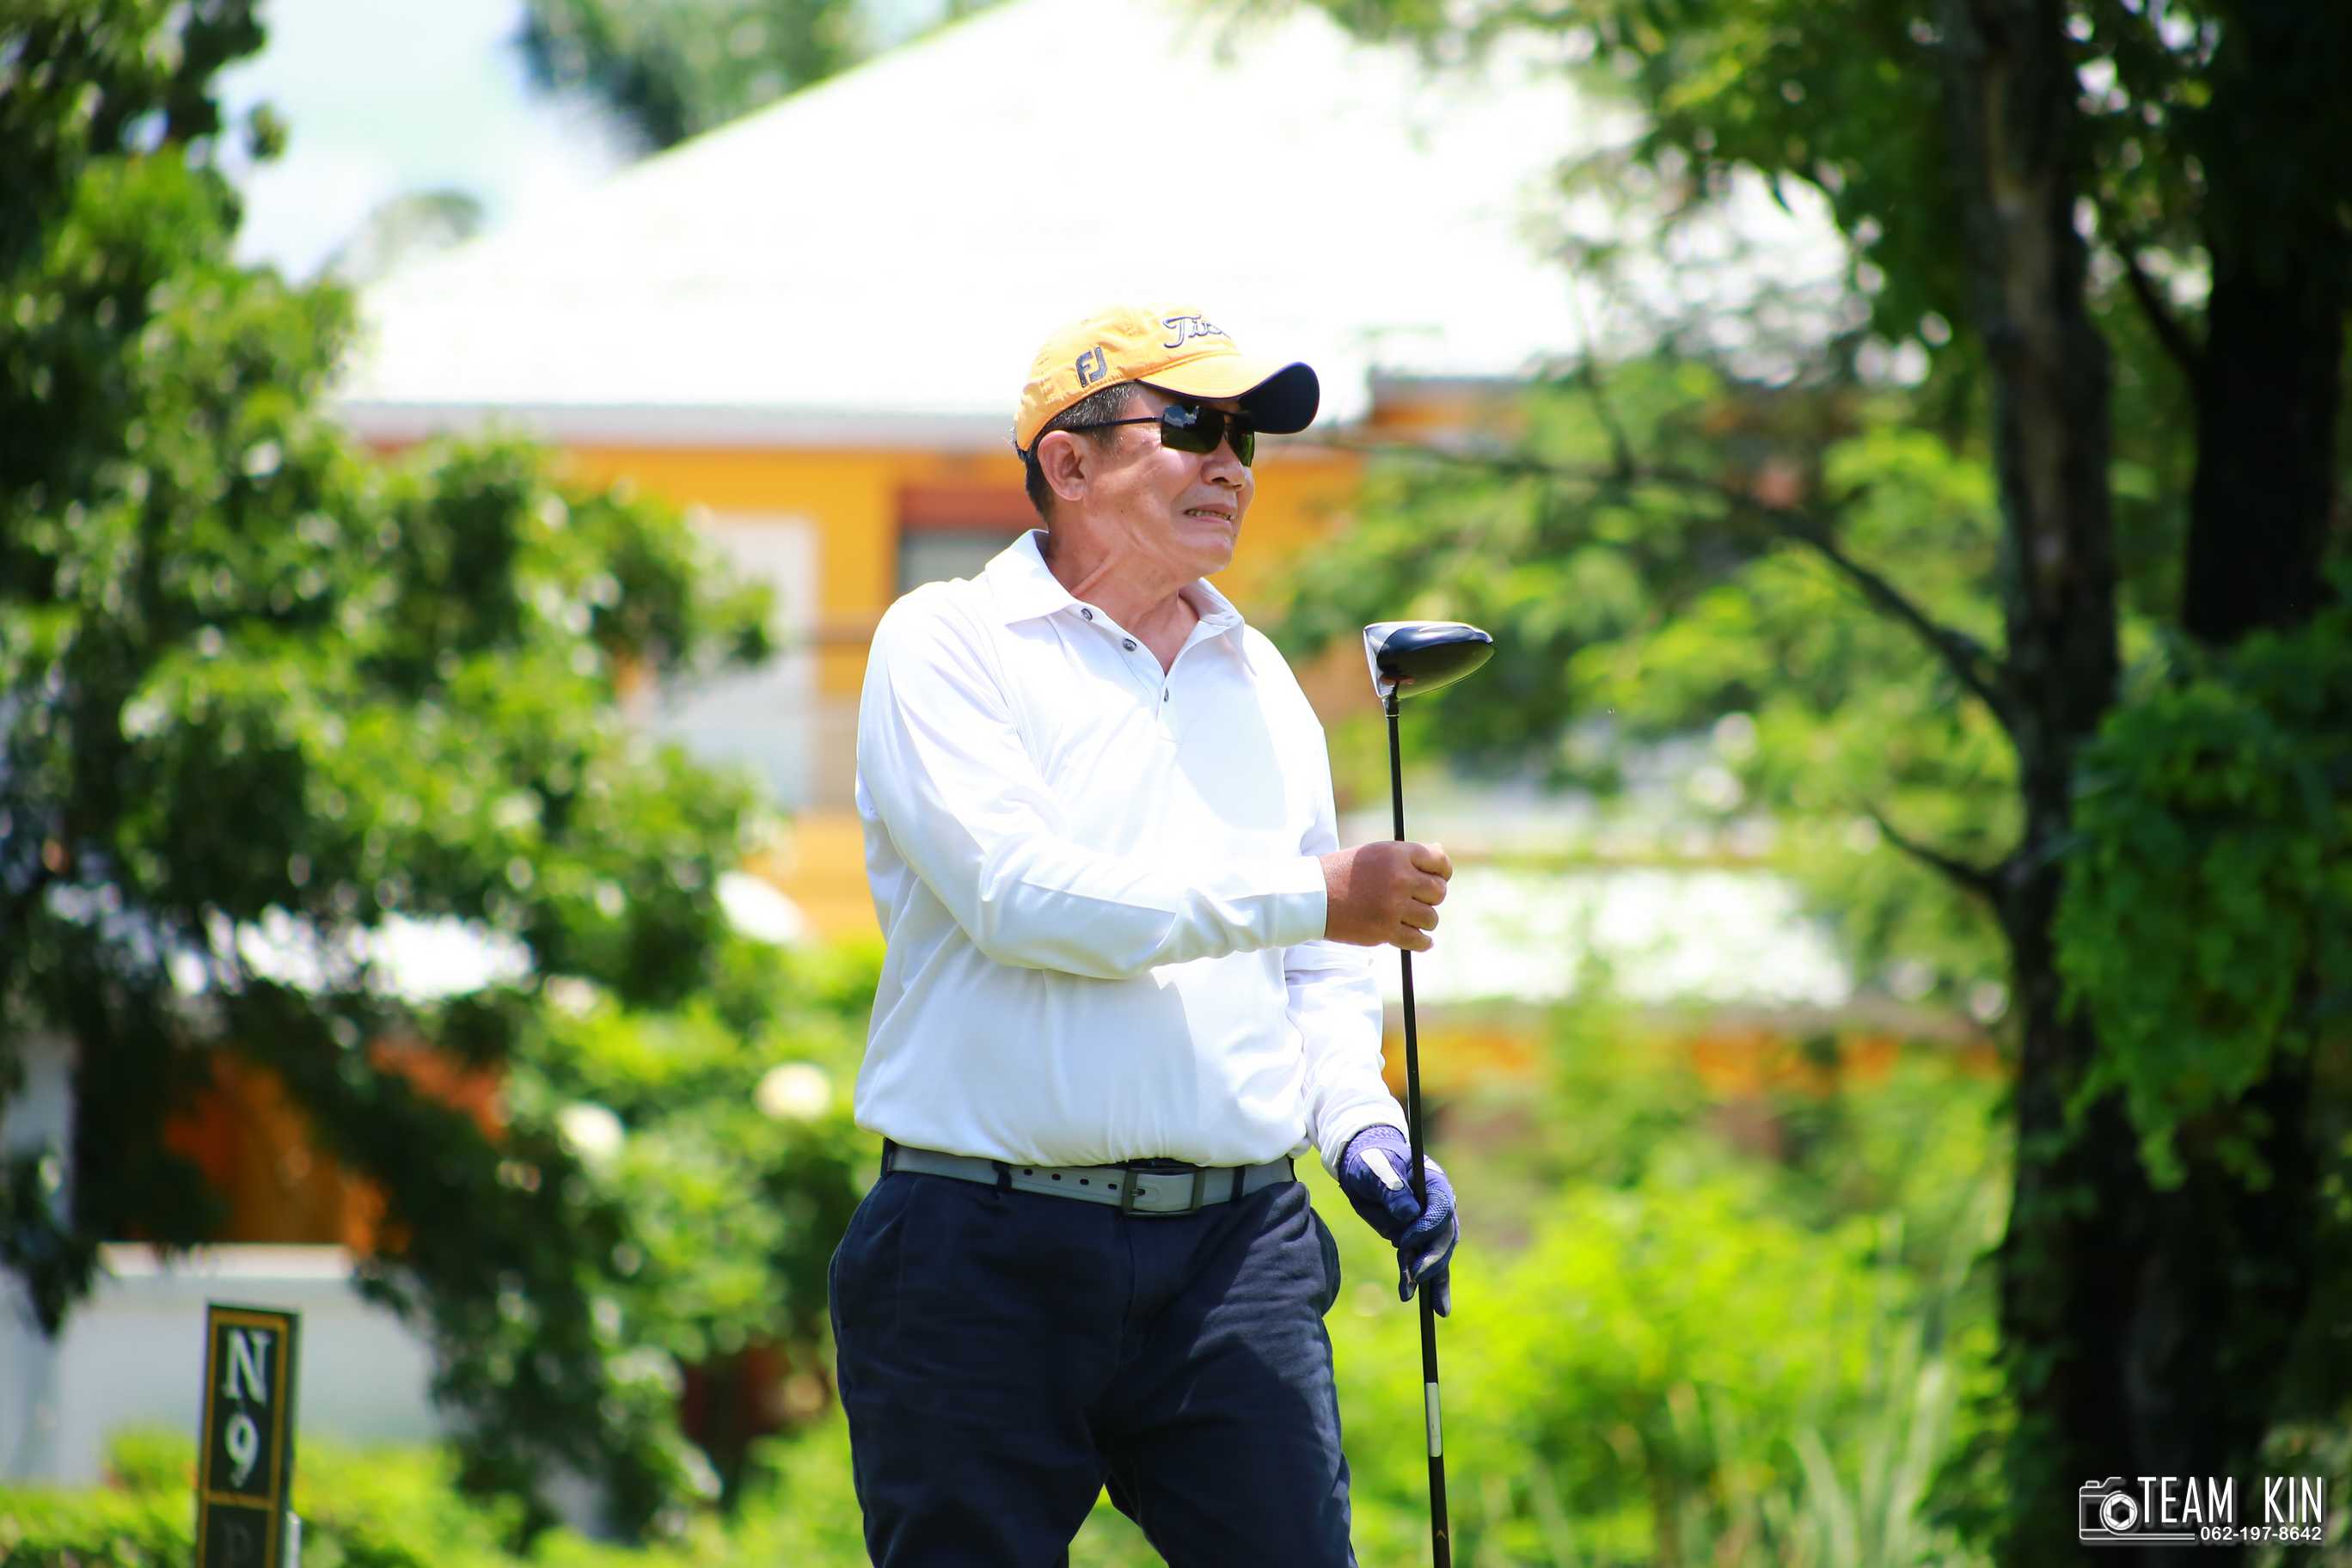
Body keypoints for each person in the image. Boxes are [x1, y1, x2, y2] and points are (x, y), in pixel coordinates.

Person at [831, 303, 1461, 1567]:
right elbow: (1021, 896)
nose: (1230, 463)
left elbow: (1315, 970)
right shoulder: (943, 640)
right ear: (1068, 463)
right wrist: (1313, 892)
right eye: (1191, 426)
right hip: (977, 1250)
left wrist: (1361, 1125)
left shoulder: (1261, 678)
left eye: (1245, 439)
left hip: (1236, 1251)